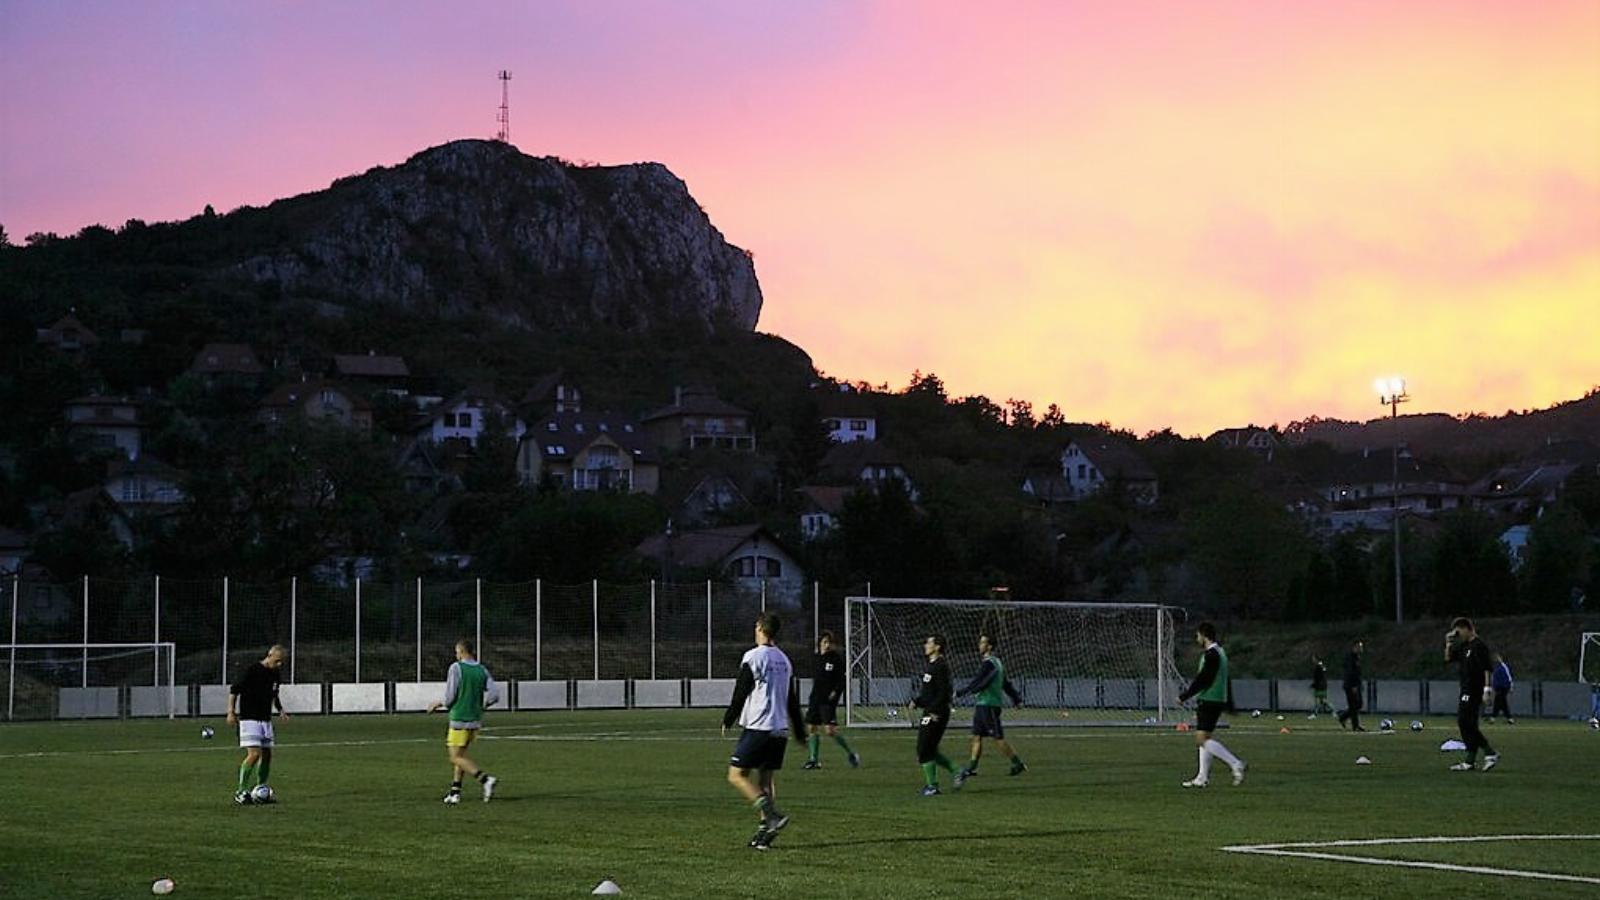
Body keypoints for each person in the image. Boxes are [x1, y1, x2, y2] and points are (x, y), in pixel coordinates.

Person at [722, 612, 807, 851]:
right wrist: (799, 731)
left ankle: (771, 816)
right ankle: (765, 834)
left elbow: (742, 689)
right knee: (766, 779)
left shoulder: (754, 656)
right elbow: (791, 699)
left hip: (759, 726)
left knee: (736, 775)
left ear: (760, 627)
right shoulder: (784, 660)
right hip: (779, 730)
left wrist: (729, 717)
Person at [426, 639, 500, 804]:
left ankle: (485, 779)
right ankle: (455, 792)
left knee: (455, 757)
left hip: (459, 717)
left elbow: (450, 696)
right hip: (475, 719)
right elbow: (495, 695)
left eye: (457, 652)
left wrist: (437, 704)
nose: (456, 655)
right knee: (462, 755)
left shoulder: (456, 668)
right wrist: (482, 705)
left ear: (461, 651)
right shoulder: (482, 669)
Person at [1177, 622, 1246, 788]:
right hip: (1216, 700)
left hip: (1209, 700)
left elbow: (1204, 679)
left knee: (1201, 739)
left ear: (1204, 635)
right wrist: (1229, 703)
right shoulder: (1220, 653)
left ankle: (1236, 764)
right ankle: (1202, 777)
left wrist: (1184, 696)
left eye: (1198, 635)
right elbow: (1224, 680)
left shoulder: (1212, 654)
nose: (1197, 639)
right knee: (1205, 738)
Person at [952, 633, 1025, 789]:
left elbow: (978, 682)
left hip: (989, 705)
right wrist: (1016, 699)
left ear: (989, 646)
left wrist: (960, 693)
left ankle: (1018, 763)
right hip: (982, 704)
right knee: (976, 736)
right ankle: (971, 767)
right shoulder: (997, 663)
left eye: (983, 642)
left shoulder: (989, 664)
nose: (980, 645)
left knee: (997, 738)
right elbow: (1006, 684)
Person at [226, 644, 289, 805]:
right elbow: (234, 690)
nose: (279, 664)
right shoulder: (252, 670)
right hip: (249, 719)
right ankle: (240, 791)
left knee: (267, 755)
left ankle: (261, 788)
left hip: (265, 719)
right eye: (277, 661)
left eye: (281, 662)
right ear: (269, 656)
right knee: (254, 754)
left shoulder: (275, 674)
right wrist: (231, 712)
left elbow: (274, 694)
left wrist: (280, 710)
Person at [908, 633, 960, 796]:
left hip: (936, 713)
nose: (925, 645)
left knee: (923, 749)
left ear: (937, 647)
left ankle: (933, 786)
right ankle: (958, 771)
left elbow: (944, 692)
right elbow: (929, 693)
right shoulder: (931, 666)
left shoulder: (941, 666)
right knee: (929, 749)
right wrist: (917, 701)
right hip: (930, 710)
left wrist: (933, 711)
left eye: (928, 643)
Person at [1445, 618, 1499, 771]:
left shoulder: (1479, 646)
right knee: (1467, 724)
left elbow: (1486, 669)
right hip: (1465, 688)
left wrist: (1487, 689)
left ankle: (1490, 752)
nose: (1458, 635)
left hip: (1475, 689)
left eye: (1459, 631)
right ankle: (1470, 761)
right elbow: (1448, 659)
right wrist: (1448, 643)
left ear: (1467, 629)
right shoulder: (1464, 646)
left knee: (1465, 721)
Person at [802, 631, 860, 770]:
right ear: (820, 644)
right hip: (815, 698)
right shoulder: (816, 659)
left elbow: (841, 680)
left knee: (830, 731)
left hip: (828, 701)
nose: (827, 645)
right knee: (812, 728)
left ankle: (851, 754)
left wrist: (835, 693)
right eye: (825, 642)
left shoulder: (836, 659)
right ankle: (813, 760)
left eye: (829, 643)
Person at [1336, 639, 1367, 732]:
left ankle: (1343, 717)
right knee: (1354, 705)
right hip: (1350, 685)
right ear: (1354, 647)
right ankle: (1355, 725)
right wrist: (1353, 685)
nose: (1361, 648)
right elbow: (1350, 672)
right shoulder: (1350, 658)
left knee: (1357, 705)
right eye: (1359, 646)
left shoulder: (1357, 657)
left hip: (1356, 684)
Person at [1487, 655, 1515, 725]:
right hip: (1498, 687)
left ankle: (1493, 718)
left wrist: (1511, 686)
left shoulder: (1504, 667)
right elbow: (1494, 678)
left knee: (1498, 701)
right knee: (1502, 703)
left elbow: (1509, 677)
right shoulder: (1496, 668)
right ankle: (1510, 719)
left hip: (1504, 687)